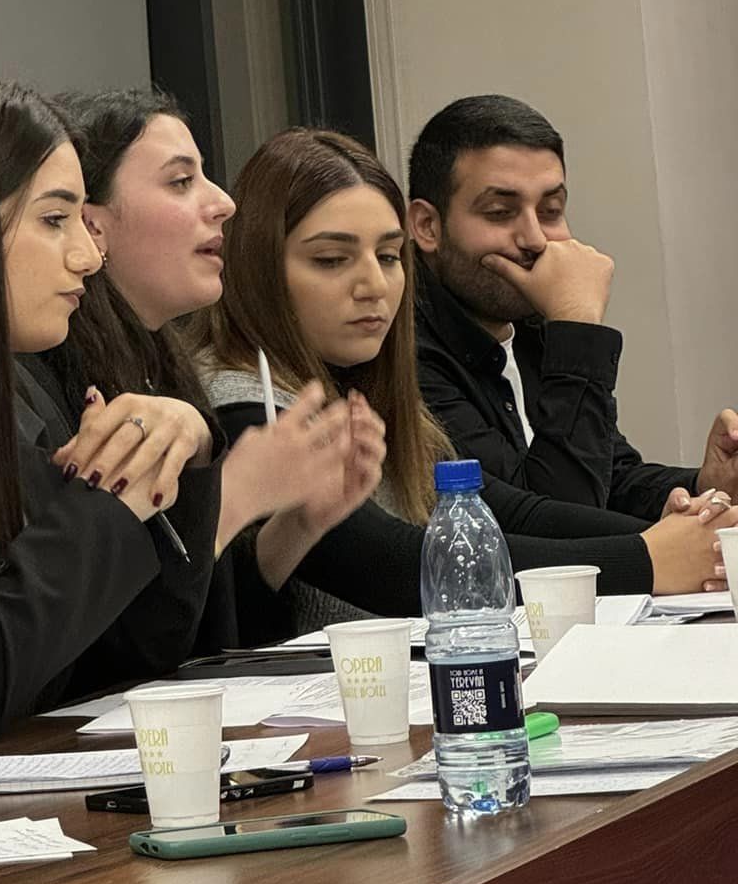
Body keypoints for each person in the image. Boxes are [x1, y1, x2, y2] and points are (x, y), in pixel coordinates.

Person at [0, 79, 357, 737]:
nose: (89, 258)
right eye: (56, 220)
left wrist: (189, 448)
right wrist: (124, 497)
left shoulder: (25, 393)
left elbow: (131, 651)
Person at [188, 127, 725, 626]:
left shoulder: (363, 385)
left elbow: (506, 510)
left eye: (388, 256)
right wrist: (645, 558)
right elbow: (397, 565)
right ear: (259, 268)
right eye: (331, 259)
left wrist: (698, 532)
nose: (373, 285)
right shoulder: (240, 401)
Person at [54, 90, 388, 647]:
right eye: (181, 182)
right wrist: (234, 494)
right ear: (92, 225)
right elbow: (112, 644)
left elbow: (216, 635)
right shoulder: (64, 380)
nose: (224, 203)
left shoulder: (158, 362)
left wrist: (300, 523)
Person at [408, 94, 738, 525]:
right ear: (428, 226)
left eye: (550, 211)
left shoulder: (531, 325)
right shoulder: (403, 354)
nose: (534, 238)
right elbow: (560, 521)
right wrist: (577, 324)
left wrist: (705, 485)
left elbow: (608, 477)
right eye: (500, 212)